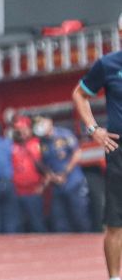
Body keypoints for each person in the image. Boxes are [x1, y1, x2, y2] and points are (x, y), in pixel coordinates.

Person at [73, 44, 122, 280]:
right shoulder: (108, 64)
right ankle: (114, 278)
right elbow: (79, 94)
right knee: (115, 223)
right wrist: (94, 129)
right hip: (118, 150)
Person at [34, 115, 90, 233]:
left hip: (73, 182)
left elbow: (77, 153)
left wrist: (64, 173)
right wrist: (50, 175)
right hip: (56, 186)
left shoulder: (64, 135)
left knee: (79, 217)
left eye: (43, 123)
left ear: (50, 122)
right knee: (59, 222)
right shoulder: (41, 142)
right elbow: (40, 162)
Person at [11, 116, 46, 233]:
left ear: (30, 129)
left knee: (37, 224)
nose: (21, 132)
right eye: (18, 129)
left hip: (33, 192)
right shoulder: (11, 146)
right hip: (17, 193)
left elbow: (46, 167)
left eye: (23, 129)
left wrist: (43, 185)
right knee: (17, 226)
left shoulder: (36, 144)